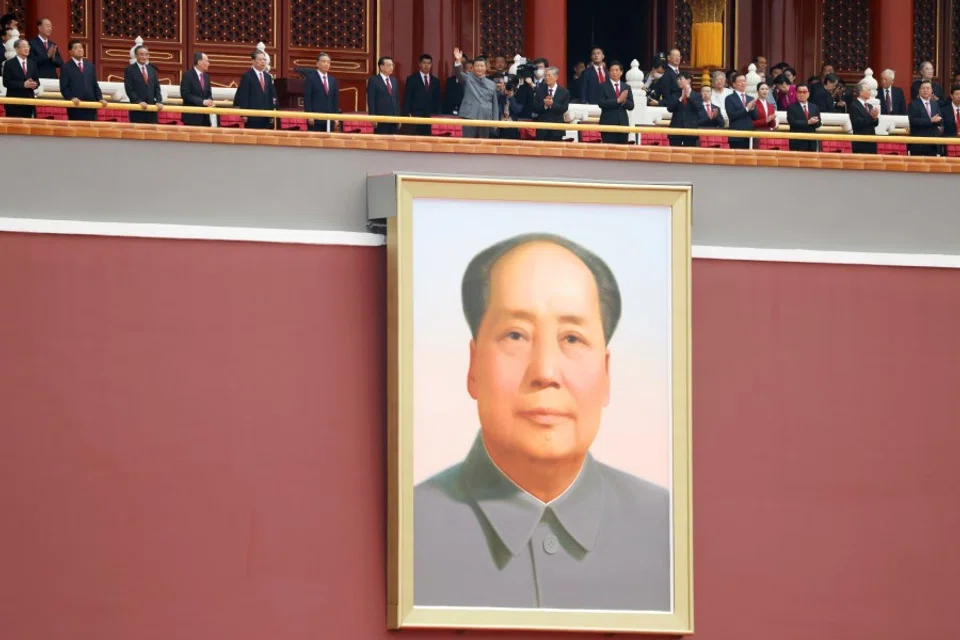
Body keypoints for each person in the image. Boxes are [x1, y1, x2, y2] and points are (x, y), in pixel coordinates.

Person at [414, 233, 670, 611]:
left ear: (607, 374)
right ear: (472, 367)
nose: (546, 371)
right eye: (516, 335)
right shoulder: (409, 529)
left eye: (571, 338)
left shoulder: (669, 530)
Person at [452, 48, 498, 138]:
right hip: (470, 116)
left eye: (481, 66)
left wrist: (495, 121)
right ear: (473, 68)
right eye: (477, 66)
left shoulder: (492, 84)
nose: (479, 68)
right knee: (468, 145)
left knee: (483, 146)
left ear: (485, 68)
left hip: (485, 117)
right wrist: (458, 61)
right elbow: (458, 74)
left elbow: (495, 104)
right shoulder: (467, 78)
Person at [58, 40, 106, 121]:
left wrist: (100, 98)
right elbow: (64, 87)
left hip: (91, 105)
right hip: (76, 106)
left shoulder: (90, 66)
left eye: (81, 47)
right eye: (76, 48)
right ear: (70, 52)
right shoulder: (66, 67)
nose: (80, 50)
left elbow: (95, 85)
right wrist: (71, 98)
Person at [233, 50, 277, 130]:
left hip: (266, 115)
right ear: (253, 61)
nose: (263, 62)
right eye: (260, 60)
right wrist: (244, 114)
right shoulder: (247, 76)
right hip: (252, 116)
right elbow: (244, 96)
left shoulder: (268, 77)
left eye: (264, 60)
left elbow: (271, 95)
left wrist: (272, 113)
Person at [124, 45, 164, 124]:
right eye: (141, 54)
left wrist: (158, 101)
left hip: (151, 109)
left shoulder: (152, 69)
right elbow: (129, 89)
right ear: (136, 56)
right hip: (138, 108)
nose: (144, 57)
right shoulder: (130, 69)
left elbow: (157, 87)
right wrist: (138, 101)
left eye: (146, 54)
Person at [403, 53, 441, 136]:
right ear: (420, 64)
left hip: (429, 116)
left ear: (431, 65)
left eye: (429, 63)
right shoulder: (412, 79)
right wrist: (406, 113)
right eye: (424, 63)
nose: (426, 65)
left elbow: (437, 100)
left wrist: (437, 114)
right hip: (414, 115)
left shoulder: (435, 81)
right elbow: (407, 97)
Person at [597, 60, 633, 144]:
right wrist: (618, 100)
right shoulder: (603, 86)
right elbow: (601, 103)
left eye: (617, 70)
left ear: (621, 72)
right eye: (612, 70)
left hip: (623, 124)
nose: (614, 72)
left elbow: (631, 106)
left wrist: (624, 101)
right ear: (609, 72)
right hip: (608, 124)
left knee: (623, 152)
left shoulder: (626, 87)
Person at [2, 39, 39, 118]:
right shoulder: (9, 63)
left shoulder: (32, 63)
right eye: (23, 46)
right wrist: (23, 84)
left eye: (28, 46)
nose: (26, 48)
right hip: (14, 103)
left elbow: (37, 80)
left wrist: (34, 84)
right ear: (16, 49)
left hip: (29, 102)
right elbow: (6, 82)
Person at [303, 52, 339, 132]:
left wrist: (336, 117)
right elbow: (307, 98)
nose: (326, 64)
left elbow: (335, 100)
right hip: (315, 119)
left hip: (329, 119)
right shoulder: (311, 78)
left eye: (328, 62)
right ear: (317, 64)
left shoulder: (333, 80)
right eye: (323, 61)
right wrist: (309, 115)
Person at [533, 66, 570, 141]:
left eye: (549, 75)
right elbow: (535, 108)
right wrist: (545, 105)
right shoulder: (539, 90)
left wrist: (552, 104)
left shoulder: (564, 92)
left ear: (556, 77)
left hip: (557, 130)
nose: (546, 78)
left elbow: (564, 109)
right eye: (545, 75)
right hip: (542, 129)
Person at [907, 80, 943, 157]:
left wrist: (939, 122)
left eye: (928, 88)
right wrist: (930, 120)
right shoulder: (913, 104)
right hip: (919, 143)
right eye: (923, 88)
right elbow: (913, 120)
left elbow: (939, 119)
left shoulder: (935, 104)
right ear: (919, 90)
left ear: (931, 91)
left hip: (933, 143)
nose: (925, 90)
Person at [180, 51, 214, 126]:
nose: (209, 63)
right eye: (207, 61)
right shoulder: (187, 75)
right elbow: (185, 95)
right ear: (199, 62)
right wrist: (202, 102)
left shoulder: (206, 77)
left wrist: (210, 100)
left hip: (205, 118)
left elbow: (209, 93)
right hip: (192, 118)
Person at [367, 56, 399, 134]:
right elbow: (371, 100)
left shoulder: (394, 80)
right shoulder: (374, 80)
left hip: (394, 119)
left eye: (392, 65)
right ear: (381, 67)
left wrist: (399, 118)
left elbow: (397, 100)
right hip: (380, 118)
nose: (391, 67)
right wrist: (373, 117)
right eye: (388, 65)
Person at [786, 84, 821, 152]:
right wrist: (808, 122)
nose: (802, 94)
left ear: (808, 94)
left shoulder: (814, 107)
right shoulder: (791, 107)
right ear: (796, 94)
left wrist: (817, 122)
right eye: (799, 92)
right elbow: (792, 122)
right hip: (797, 142)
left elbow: (818, 123)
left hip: (811, 142)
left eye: (804, 92)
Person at [848, 81, 880, 154]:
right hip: (860, 142)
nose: (870, 92)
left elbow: (875, 123)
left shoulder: (869, 106)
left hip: (871, 141)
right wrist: (871, 117)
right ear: (861, 92)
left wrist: (875, 118)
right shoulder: (854, 106)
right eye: (868, 90)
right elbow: (857, 123)